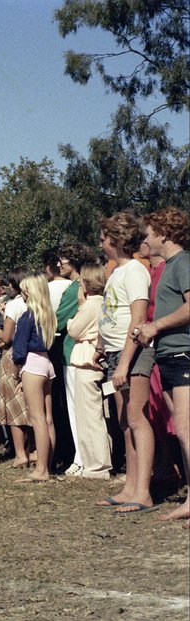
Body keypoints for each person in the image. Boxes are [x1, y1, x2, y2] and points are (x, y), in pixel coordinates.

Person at [95, 212, 156, 514]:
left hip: (131, 353)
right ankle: (130, 486)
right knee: (124, 421)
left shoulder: (134, 270)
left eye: (104, 237)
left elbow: (138, 318)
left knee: (136, 418)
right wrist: (102, 346)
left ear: (117, 240)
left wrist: (123, 364)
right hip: (115, 352)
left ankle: (143, 491)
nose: (100, 241)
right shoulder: (116, 272)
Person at [134, 207, 189, 524]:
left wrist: (155, 327)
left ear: (164, 234)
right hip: (168, 355)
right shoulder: (169, 267)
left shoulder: (183, 262)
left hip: (183, 354)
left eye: (149, 232)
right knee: (182, 430)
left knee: (185, 429)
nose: (145, 238)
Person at [66, 264, 112, 480]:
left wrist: (75, 313)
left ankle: (96, 465)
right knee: (95, 415)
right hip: (90, 360)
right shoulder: (102, 303)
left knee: (89, 416)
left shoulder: (91, 304)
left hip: (86, 361)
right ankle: (96, 462)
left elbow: (74, 329)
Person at [12, 274, 58, 483]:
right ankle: (46, 464)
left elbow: (19, 350)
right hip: (47, 362)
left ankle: (41, 470)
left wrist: (16, 373)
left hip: (31, 364)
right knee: (47, 419)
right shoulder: (48, 316)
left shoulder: (27, 316)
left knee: (37, 418)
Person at [55, 244, 96, 474]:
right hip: (78, 352)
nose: (59, 264)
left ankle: (81, 459)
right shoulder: (84, 285)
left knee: (75, 409)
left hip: (72, 353)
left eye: (63, 259)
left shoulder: (74, 289)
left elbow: (59, 320)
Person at [0, 269, 31, 468]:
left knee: (14, 405)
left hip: (13, 354)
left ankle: (20, 453)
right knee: (32, 404)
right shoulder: (36, 302)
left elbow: (7, 337)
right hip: (33, 355)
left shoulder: (14, 304)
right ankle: (34, 449)